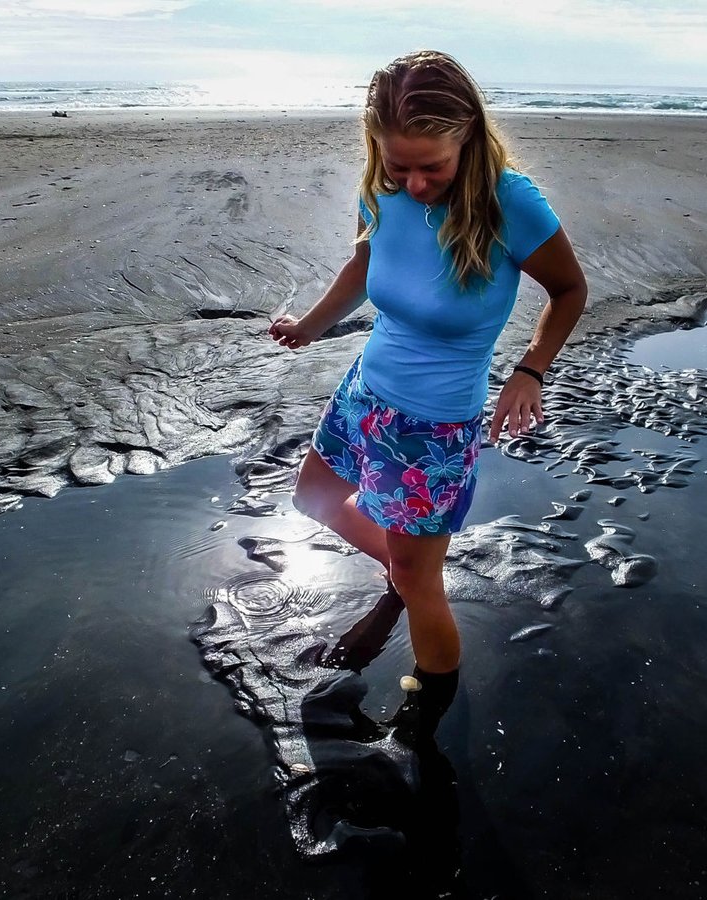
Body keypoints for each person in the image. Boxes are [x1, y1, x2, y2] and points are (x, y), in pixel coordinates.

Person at [269, 50, 587, 697]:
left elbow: (569, 290)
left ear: (466, 136)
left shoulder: (511, 202)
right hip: (365, 392)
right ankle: (404, 574)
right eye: (399, 165)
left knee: (423, 586)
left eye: (432, 168)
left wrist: (530, 371)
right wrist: (310, 324)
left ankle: (431, 717)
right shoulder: (381, 189)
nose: (414, 183)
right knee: (314, 500)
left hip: (434, 428)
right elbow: (363, 266)